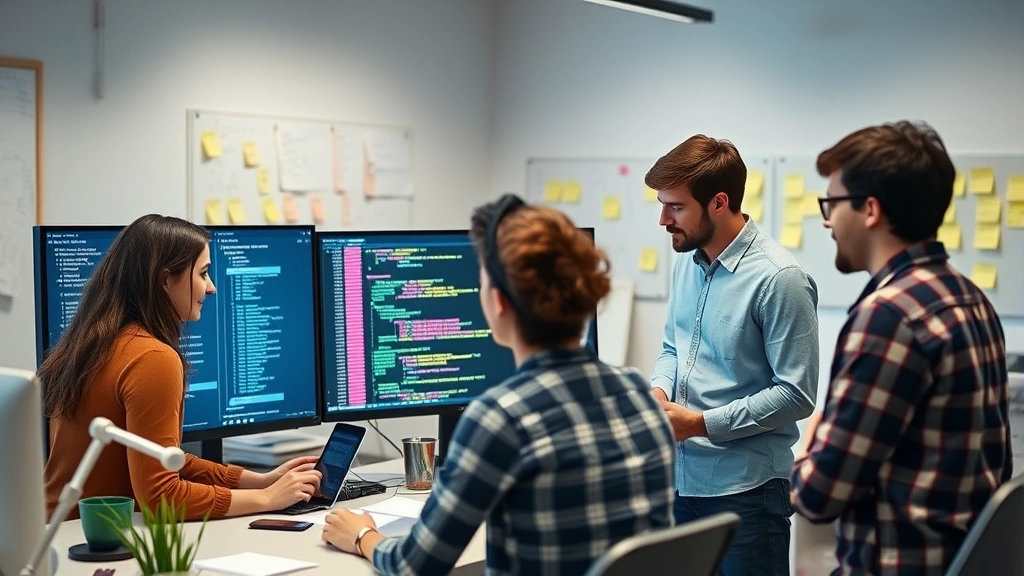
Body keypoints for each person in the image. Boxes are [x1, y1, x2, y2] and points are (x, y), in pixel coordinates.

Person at [321, 195, 676, 575]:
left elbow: (414, 567)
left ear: (499, 302)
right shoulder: (637, 392)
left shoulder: (501, 417)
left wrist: (362, 536)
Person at [790, 121, 1011, 575]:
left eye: (831, 204)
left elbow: (818, 495)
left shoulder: (889, 316)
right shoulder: (970, 297)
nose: (827, 221)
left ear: (870, 209)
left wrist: (810, 439)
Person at [42, 214, 321, 520]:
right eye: (203, 274)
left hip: (58, 531)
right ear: (165, 280)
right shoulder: (152, 356)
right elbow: (161, 495)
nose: (211, 288)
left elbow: (159, 457)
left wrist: (260, 481)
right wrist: (266, 499)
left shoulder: (92, 342)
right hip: (97, 540)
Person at [646, 135, 819, 576]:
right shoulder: (686, 258)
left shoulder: (781, 279)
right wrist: (658, 390)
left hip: (748, 494)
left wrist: (699, 424)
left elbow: (796, 394)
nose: (664, 219)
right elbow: (673, 345)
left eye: (676, 207)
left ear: (719, 203)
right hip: (681, 483)